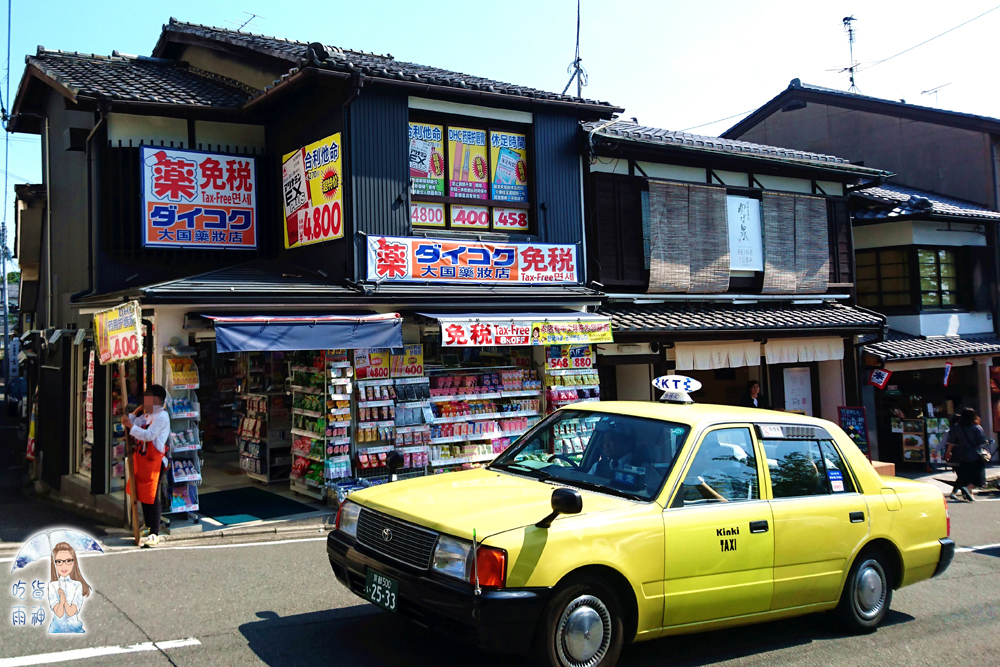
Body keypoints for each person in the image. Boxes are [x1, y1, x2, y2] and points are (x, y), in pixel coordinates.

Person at [123, 385, 170, 547]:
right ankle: (147, 525)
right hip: (143, 460)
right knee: (142, 493)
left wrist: (130, 425)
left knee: (152, 496)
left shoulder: (162, 417)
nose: (145, 401)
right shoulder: (149, 414)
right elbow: (134, 422)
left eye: (148, 398)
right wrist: (137, 411)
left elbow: (149, 435)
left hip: (155, 462)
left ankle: (154, 532)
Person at [944, 407, 987, 502]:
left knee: (965, 474)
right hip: (975, 454)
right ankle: (968, 489)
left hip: (961, 454)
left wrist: (948, 452)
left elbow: (951, 441)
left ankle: (969, 494)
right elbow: (982, 441)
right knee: (979, 476)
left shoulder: (956, 427)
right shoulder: (976, 428)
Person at [48, 542, 91, 633]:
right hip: (55, 628)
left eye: (68, 561)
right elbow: (59, 614)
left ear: (73, 562)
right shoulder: (52, 585)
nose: (64, 565)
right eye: (59, 562)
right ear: (54, 564)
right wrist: (61, 601)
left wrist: (65, 602)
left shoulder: (77, 585)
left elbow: (71, 612)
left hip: (75, 628)